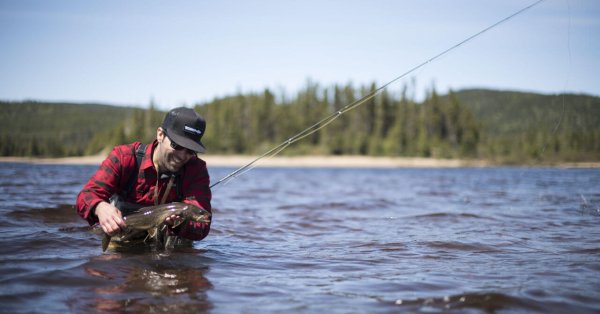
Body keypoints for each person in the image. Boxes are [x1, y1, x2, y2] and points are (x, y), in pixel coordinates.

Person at [76, 107, 212, 248]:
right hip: (122, 238)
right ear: (160, 135)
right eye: (177, 145)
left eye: (190, 150)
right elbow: (86, 195)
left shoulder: (196, 169)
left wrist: (179, 223)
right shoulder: (124, 157)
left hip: (166, 246)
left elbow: (202, 226)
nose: (182, 155)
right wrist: (100, 207)